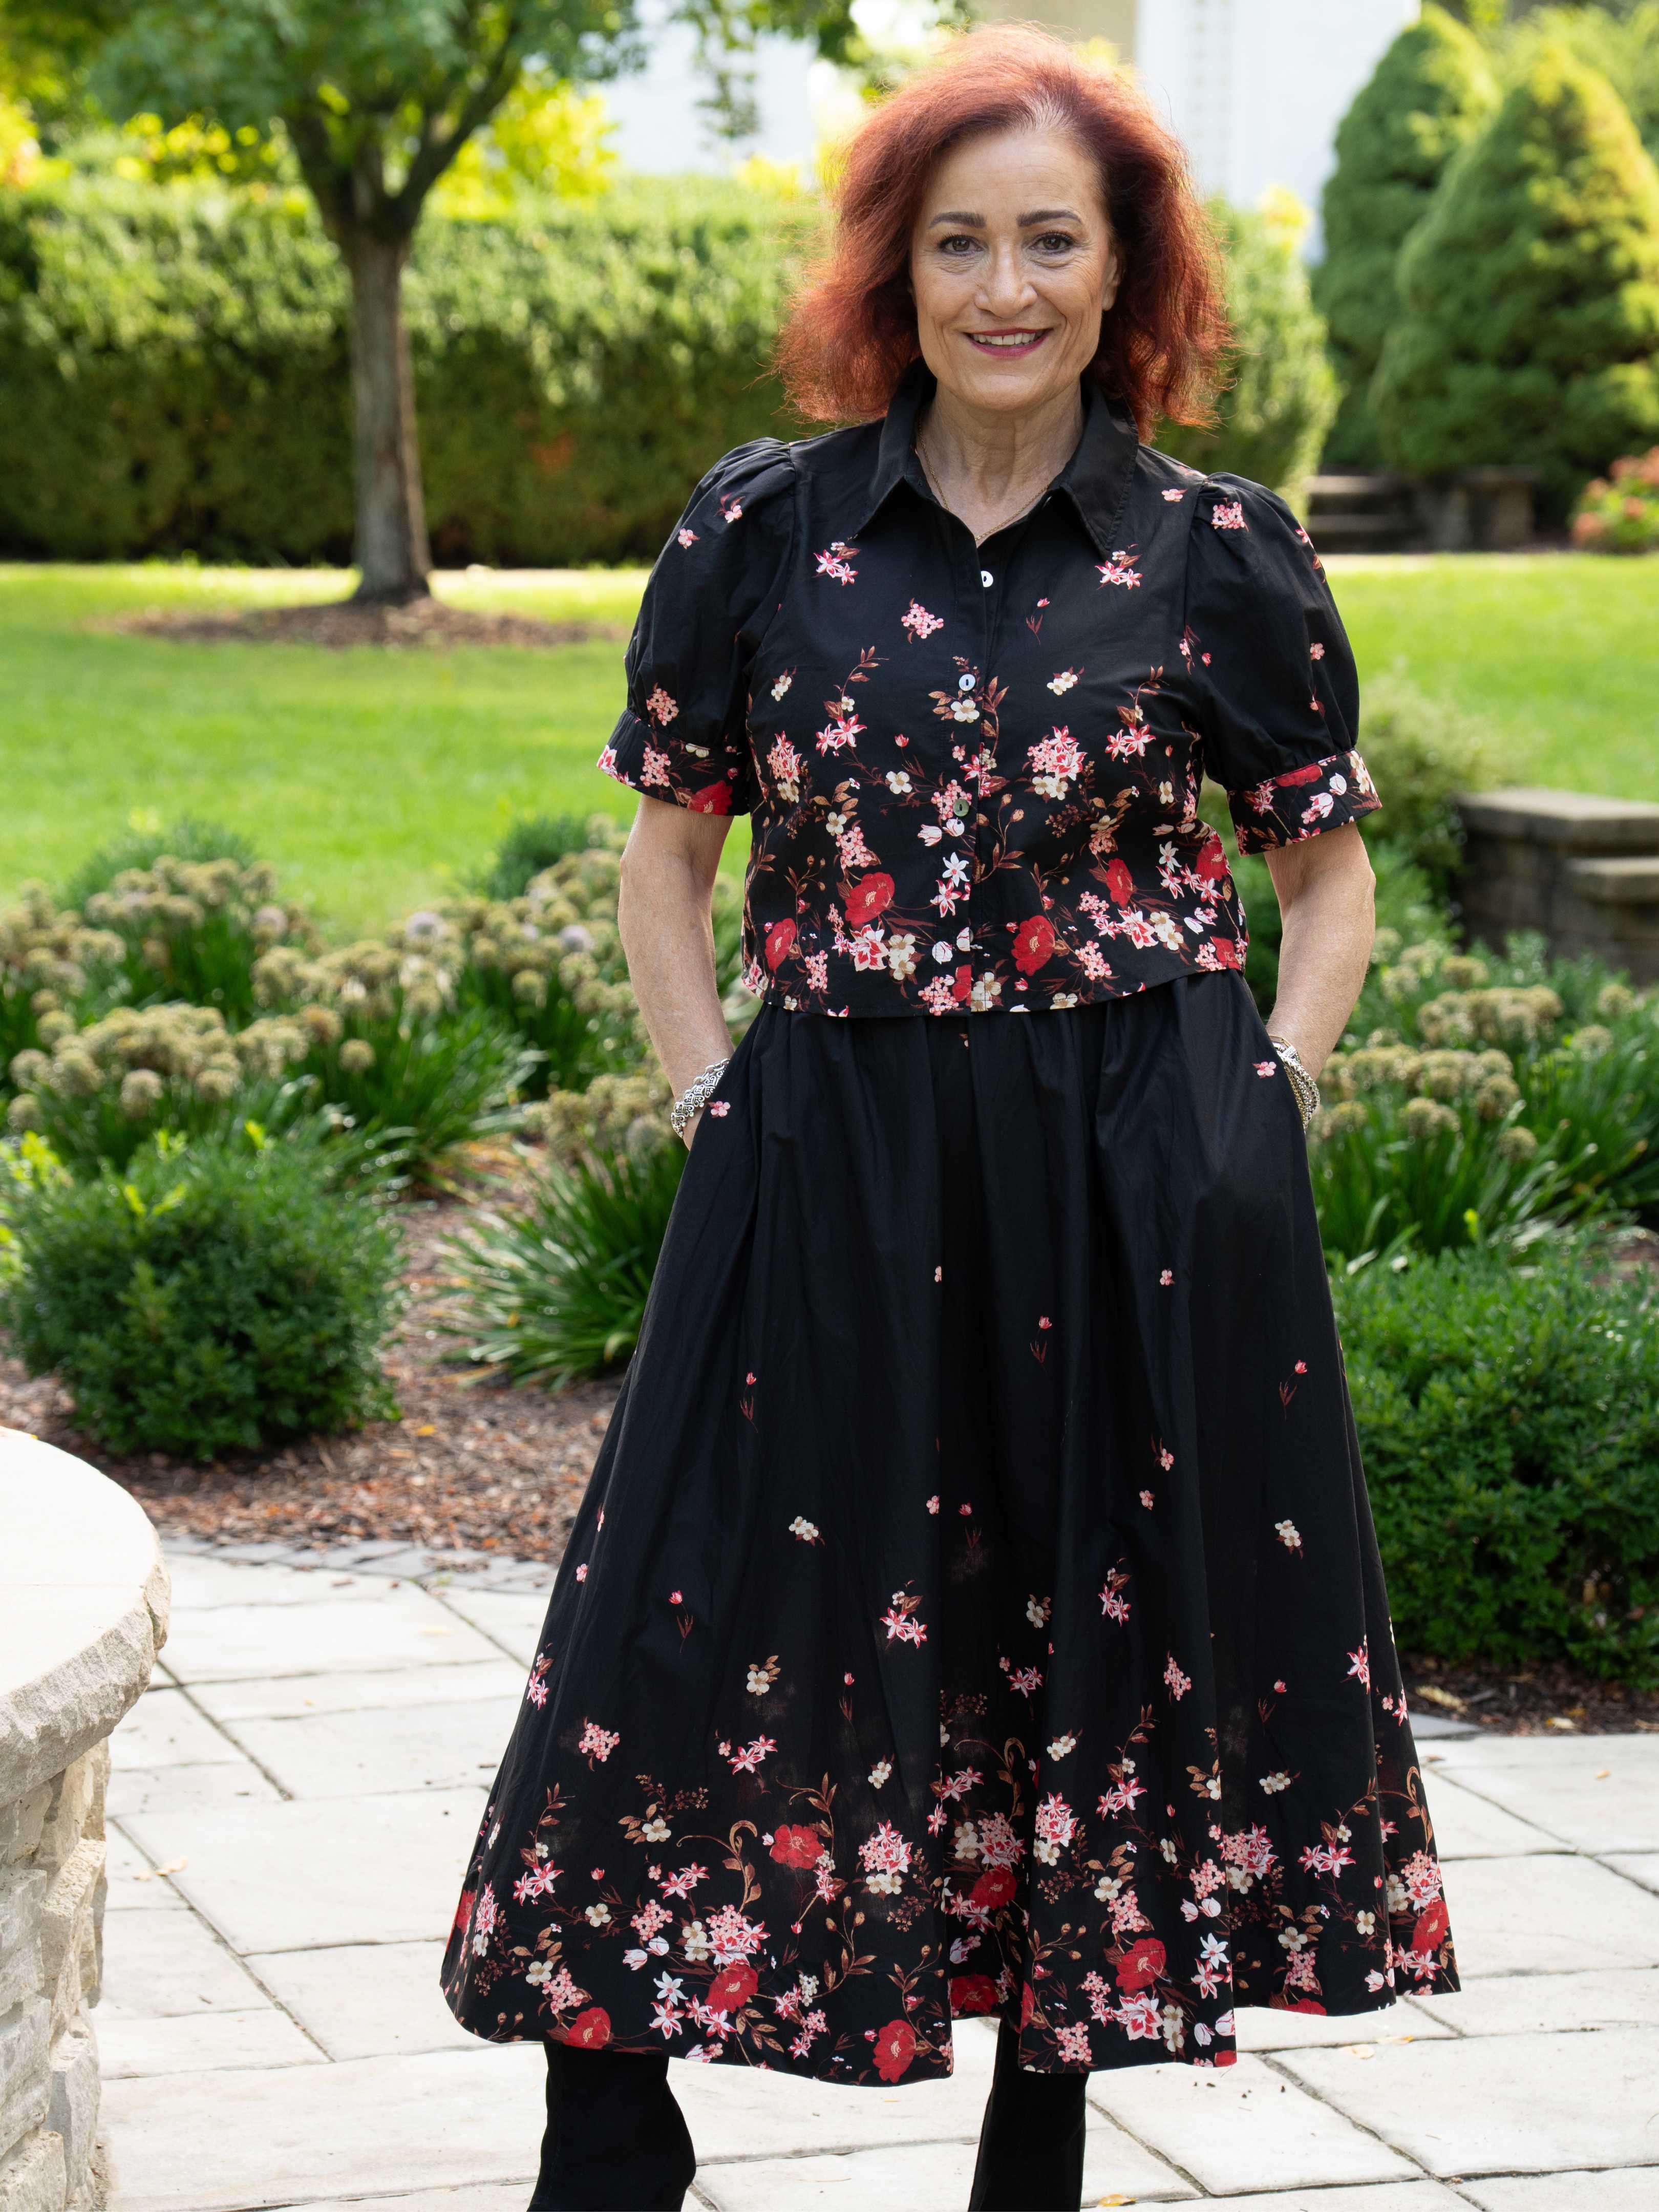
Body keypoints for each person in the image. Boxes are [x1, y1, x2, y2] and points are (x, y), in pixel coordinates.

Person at [441, 27, 1459, 2210]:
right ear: (897, 272)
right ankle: (606, 2119)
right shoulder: (766, 528)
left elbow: (1325, 875)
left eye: (1051, 243)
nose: (1006, 288)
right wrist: (714, 1094)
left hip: (1130, 1173)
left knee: (1083, 1628)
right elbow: (666, 854)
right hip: (827, 1150)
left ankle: (1039, 2147)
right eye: (961, 243)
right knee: (683, 1606)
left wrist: (1259, 1107)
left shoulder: (1221, 551)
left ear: (1123, 273)